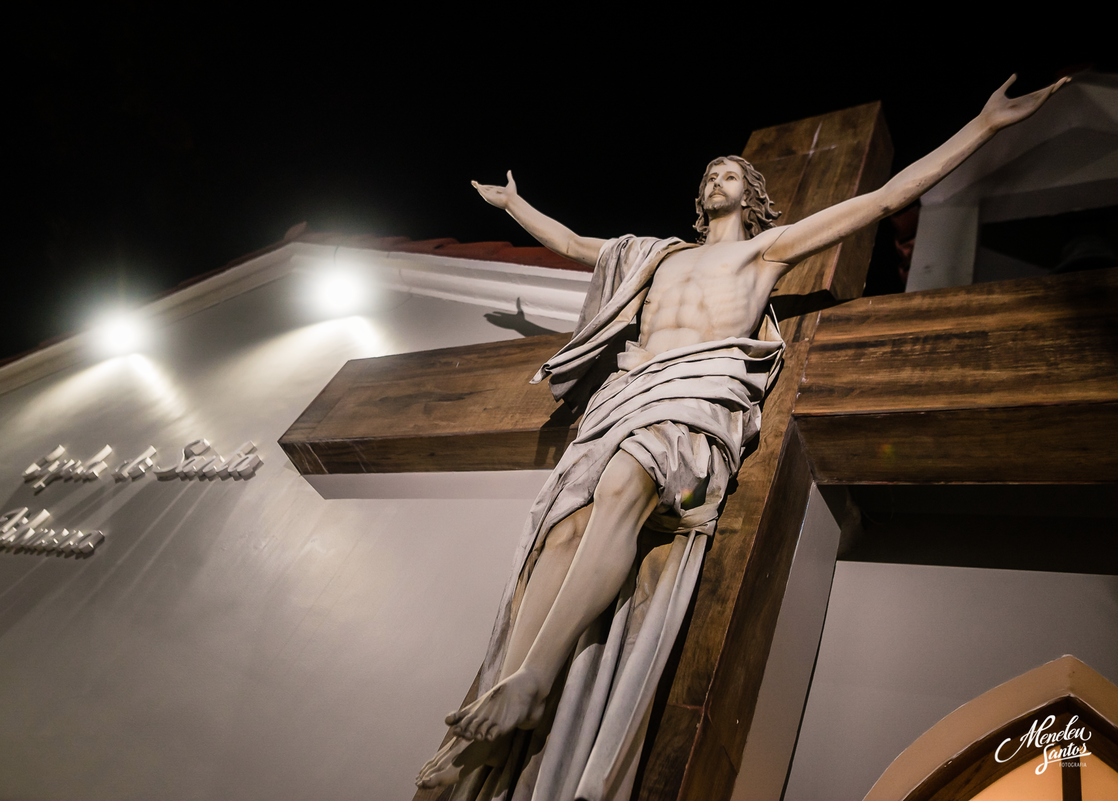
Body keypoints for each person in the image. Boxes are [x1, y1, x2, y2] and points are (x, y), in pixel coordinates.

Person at [417, 75, 1066, 798]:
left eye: (731, 172)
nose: (719, 176)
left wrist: (982, 128)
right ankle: (513, 675)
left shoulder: (768, 251)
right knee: (563, 529)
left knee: (629, 482)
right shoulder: (653, 255)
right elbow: (573, 244)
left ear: (751, 194)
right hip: (628, 388)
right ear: (701, 196)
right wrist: (515, 205)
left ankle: (537, 679)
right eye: (711, 173)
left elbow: (883, 201)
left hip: (696, 389)